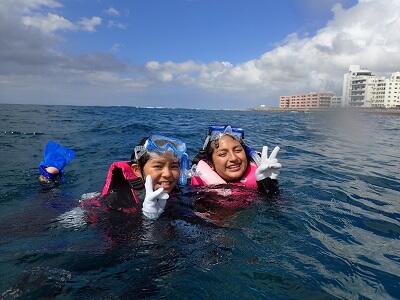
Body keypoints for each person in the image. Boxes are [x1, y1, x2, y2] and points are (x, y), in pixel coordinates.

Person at [98, 134, 188, 219]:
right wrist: (149, 218)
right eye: (158, 166)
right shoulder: (117, 202)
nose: (168, 174)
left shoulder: (180, 190)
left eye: (174, 166)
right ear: (137, 170)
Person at [191, 125, 282, 196]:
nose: (233, 158)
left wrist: (269, 185)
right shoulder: (198, 191)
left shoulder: (260, 181)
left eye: (238, 150)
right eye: (223, 154)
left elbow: (277, 212)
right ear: (210, 164)